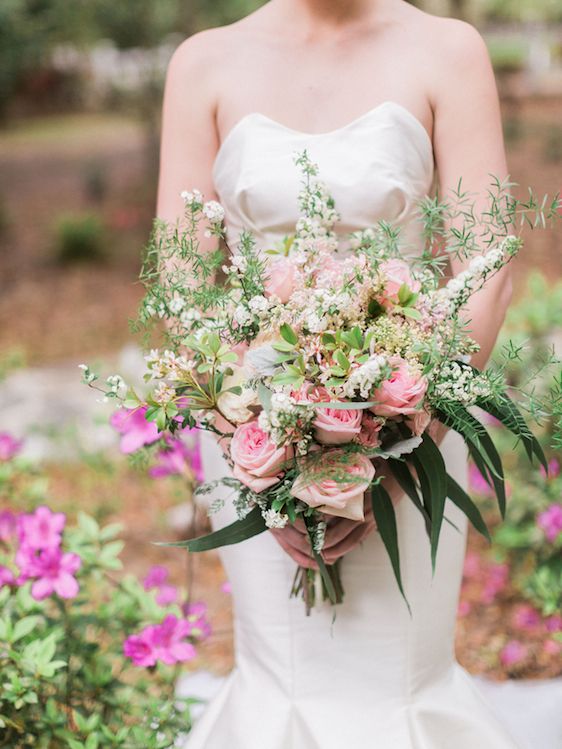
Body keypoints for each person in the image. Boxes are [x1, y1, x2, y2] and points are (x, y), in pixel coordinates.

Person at [157, 1, 520, 746]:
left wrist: (400, 443)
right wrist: (262, 450)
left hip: (416, 421)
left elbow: (487, 273)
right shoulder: (203, 63)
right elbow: (182, 286)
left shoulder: (449, 51)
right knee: (280, 678)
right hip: (251, 437)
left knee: (396, 682)